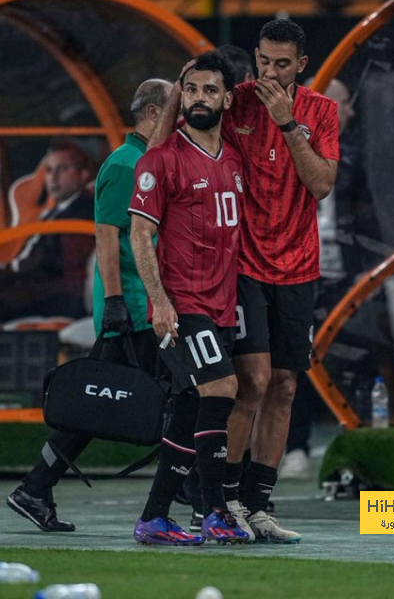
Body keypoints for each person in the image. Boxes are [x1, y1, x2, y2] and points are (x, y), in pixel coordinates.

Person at [151, 20, 339, 543]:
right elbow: (167, 152)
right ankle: (222, 499)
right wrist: (180, 89)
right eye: (263, 62)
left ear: (301, 64)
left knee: (284, 385)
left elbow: (321, 184)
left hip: (300, 268)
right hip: (245, 267)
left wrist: (288, 126)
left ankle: (256, 504)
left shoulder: (320, 111)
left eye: (282, 64)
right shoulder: (236, 102)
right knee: (250, 383)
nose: (270, 73)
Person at [6, 79, 172, 533]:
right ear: (155, 113)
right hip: (134, 306)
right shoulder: (125, 164)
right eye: (175, 106)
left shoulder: (142, 161)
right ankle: (193, 502)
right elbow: (106, 237)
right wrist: (118, 302)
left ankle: (35, 488)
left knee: (93, 405)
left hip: (140, 303)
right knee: (179, 395)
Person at [129, 51, 250, 546]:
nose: (201, 98)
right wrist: (159, 302)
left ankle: (155, 518)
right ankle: (215, 510)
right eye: (192, 89)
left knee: (187, 408)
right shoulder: (162, 160)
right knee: (223, 389)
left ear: (226, 97)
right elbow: (139, 234)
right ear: (182, 96)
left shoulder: (234, 159)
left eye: (211, 90)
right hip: (184, 303)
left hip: (222, 303)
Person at [279, 78, 383, 480]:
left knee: (357, 355)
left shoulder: (352, 159)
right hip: (299, 270)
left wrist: (368, 271)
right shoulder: (285, 147)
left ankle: (354, 446)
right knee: (295, 359)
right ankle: (296, 447)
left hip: (343, 276)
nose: (351, 111)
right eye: (344, 103)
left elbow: (367, 217)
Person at [0, 141, 94, 323]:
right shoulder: (55, 211)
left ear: (83, 175)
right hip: (40, 286)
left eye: (62, 169)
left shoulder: (84, 211)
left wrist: (12, 272)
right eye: (49, 170)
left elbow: (57, 261)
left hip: (58, 295)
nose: (53, 178)